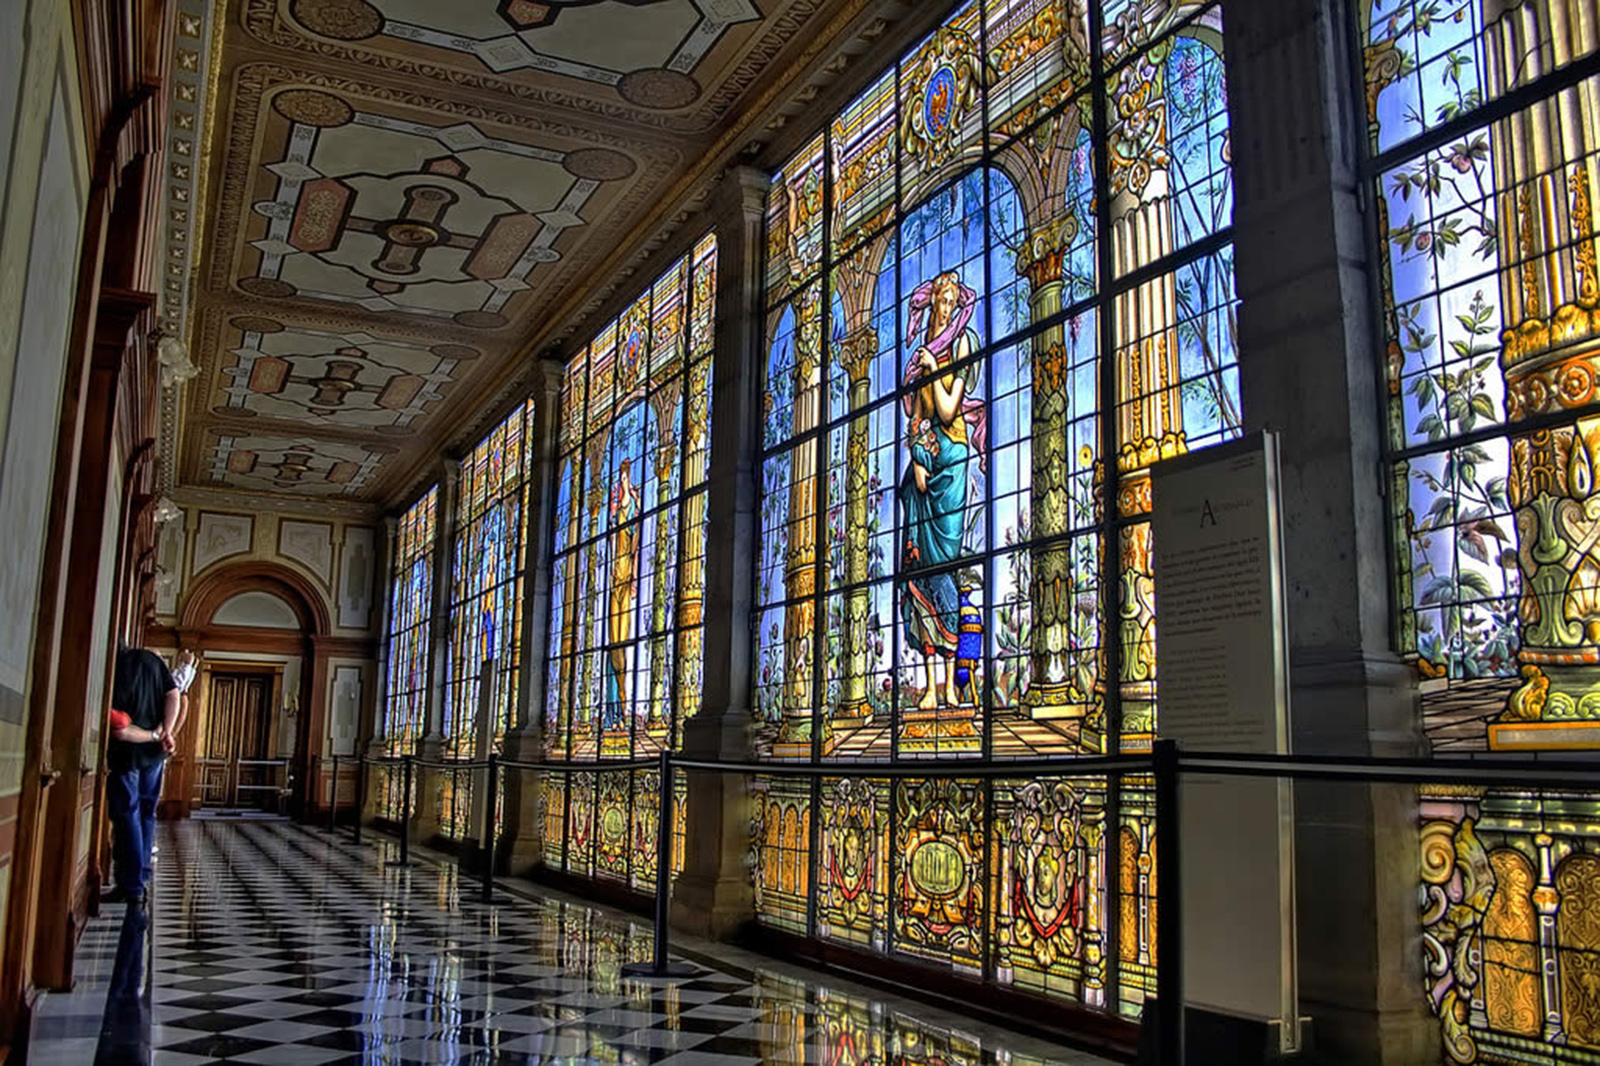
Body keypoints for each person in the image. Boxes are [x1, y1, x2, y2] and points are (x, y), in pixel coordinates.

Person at [104, 643, 180, 906]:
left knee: (128, 817)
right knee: (147, 813)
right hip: (154, 756)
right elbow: (174, 694)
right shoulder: (153, 662)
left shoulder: (115, 671)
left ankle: (132, 885)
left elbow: (121, 731)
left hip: (128, 757)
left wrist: (154, 734)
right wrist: (166, 731)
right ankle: (142, 876)